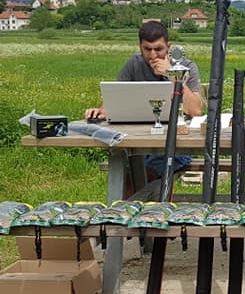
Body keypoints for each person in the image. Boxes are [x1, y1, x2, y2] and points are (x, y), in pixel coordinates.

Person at [84, 20, 203, 182]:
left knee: (141, 174)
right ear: (140, 47)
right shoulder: (134, 64)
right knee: (128, 170)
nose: (153, 55)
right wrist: (100, 111)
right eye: (147, 49)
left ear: (168, 46)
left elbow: (195, 110)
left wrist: (172, 75)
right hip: (138, 139)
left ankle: (147, 195)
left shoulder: (186, 66)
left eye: (158, 49)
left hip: (175, 143)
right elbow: (116, 97)